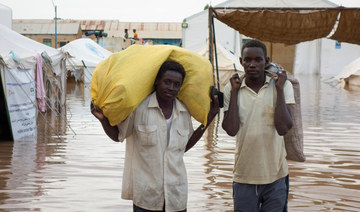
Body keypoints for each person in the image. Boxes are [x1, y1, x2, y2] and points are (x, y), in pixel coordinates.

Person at [91, 61, 219, 212]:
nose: (171, 88)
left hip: (176, 196)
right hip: (147, 197)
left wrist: (209, 117)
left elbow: (183, 146)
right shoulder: (139, 109)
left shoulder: (183, 112)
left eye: (176, 84)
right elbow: (118, 136)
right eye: (167, 82)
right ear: (157, 81)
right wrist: (102, 119)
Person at [222, 39, 295, 212]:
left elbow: (283, 128)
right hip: (244, 175)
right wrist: (233, 92)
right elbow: (231, 130)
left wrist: (278, 90)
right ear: (241, 62)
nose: (252, 64)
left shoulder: (283, 86)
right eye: (247, 60)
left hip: (276, 176)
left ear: (266, 61)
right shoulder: (231, 88)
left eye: (258, 60)